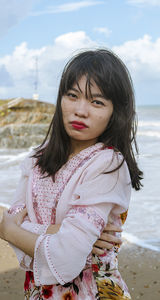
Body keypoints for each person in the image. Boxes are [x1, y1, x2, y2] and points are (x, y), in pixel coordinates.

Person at [0, 49, 143, 299]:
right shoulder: (36, 159)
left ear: (115, 112)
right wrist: (59, 231)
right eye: (73, 96)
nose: (80, 110)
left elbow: (64, 255)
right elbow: (11, 217)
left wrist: (12, 231)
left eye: (97, 102)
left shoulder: (107, 163)